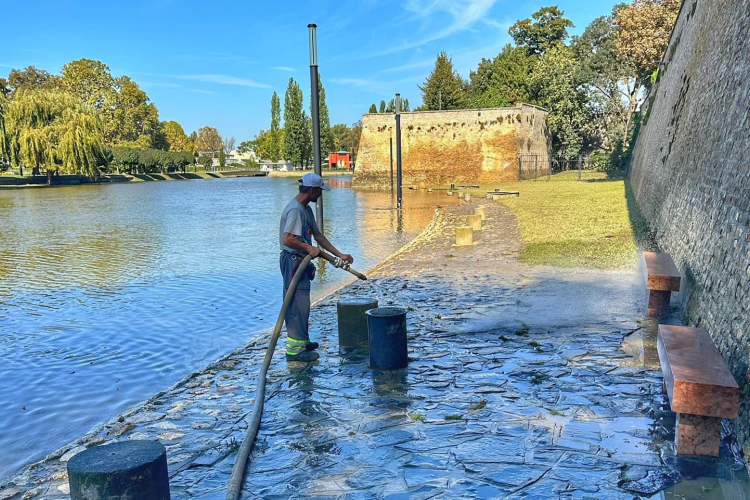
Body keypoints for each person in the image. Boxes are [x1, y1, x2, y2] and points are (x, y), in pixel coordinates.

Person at [279, 172, 354, 362]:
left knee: (303, 303)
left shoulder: (306, 210)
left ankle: (302, 341)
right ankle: (295, 352)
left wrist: (340, 255)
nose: (320, 194)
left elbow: (318, 236)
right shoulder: (296, 210)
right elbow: (287, 239)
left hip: (301, 261)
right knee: (295, 304)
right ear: (312, 190)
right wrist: (307, 247)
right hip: (293, 261)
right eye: (319, 191)